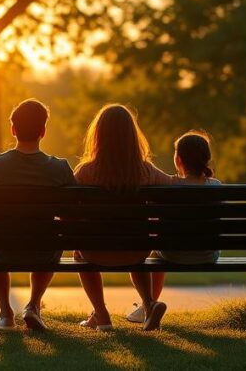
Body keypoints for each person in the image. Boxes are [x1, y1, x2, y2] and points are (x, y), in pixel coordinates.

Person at [0, 98, 76, 332]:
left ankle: (6, 314)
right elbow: (72, 215)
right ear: (43, 131)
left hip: (1, 248)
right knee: (51, 240)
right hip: (44, 250)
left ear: (13, 129)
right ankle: (33, 306)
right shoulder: (59, 168)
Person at [71, 104, 177, 331]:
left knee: (78, 252)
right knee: (136, 241)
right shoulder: (145, 171)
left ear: (98, 135)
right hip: (136, 251)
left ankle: (101, 314)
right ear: (132, 136)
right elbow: (173, 187)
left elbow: (68, 207)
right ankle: (149, 304)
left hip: (94, 251)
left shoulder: (86, 172)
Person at [133, 131, 223, 323]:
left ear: (178, 160)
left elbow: (144, 168)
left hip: (172, 254)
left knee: (155, 253)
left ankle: (148, 305)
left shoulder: (168, 184)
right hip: (207, 255)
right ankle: (147, 307)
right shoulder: (216, 186)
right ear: (207, 159)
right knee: (159, 250)